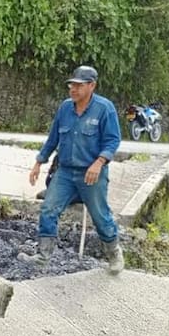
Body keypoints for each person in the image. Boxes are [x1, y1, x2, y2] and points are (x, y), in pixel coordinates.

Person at [28, 65, 124, 273]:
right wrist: (39, 162)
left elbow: (112, 141)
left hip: (91, 174)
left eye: (79, 85)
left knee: (100, 216)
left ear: (92, 86)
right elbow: (53, 138)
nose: (73, 89)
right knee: (48, 209)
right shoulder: (65, 108)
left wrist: (99, 163)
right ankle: (43, 257)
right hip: (65, 173)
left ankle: (114, 253)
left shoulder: (104, 109)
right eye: (72, 84)